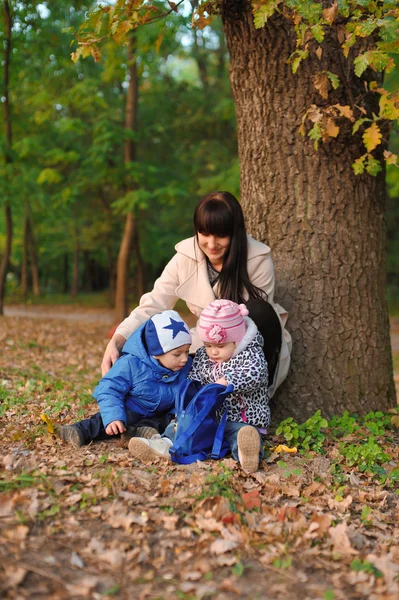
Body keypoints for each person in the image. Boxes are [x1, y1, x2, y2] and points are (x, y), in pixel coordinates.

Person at [102, 191, 291, 399]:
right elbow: (154, 304)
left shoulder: (257, 259)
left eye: (221, 235)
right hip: (207, 343)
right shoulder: (185, 257)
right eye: (205, 233)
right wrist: (118, 341)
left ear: (235, 232)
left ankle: (241, 404)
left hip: (249, 343)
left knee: (259, 310)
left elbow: (252, 325)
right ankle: (137, 408)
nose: (212, 244)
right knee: (161, 349)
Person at [128, 299, 269, 473]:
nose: (213, 351)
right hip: (207, 419)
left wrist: (227, 381)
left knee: (240, 434)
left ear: (237, 341)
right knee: (180, 426)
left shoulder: (251, 354)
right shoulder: (204, 355)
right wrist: (192, 391)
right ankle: (163, 445)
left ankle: (246, 452)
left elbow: (255, 374)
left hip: (240, 419)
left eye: (220, 346)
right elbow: (195, 375)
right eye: (208, 345)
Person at [58, 310, 192, 448]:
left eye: (187, 351)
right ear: (156, 353)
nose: (184, 359)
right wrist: (113, 417)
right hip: (132, 408)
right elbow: (109, 388)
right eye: (177, 354)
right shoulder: (131, 364)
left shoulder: (185, 367)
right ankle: (77, 431)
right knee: (109, 421)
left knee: (165, 422)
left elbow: (185, 394)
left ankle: (137, 434)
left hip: (160, 412)